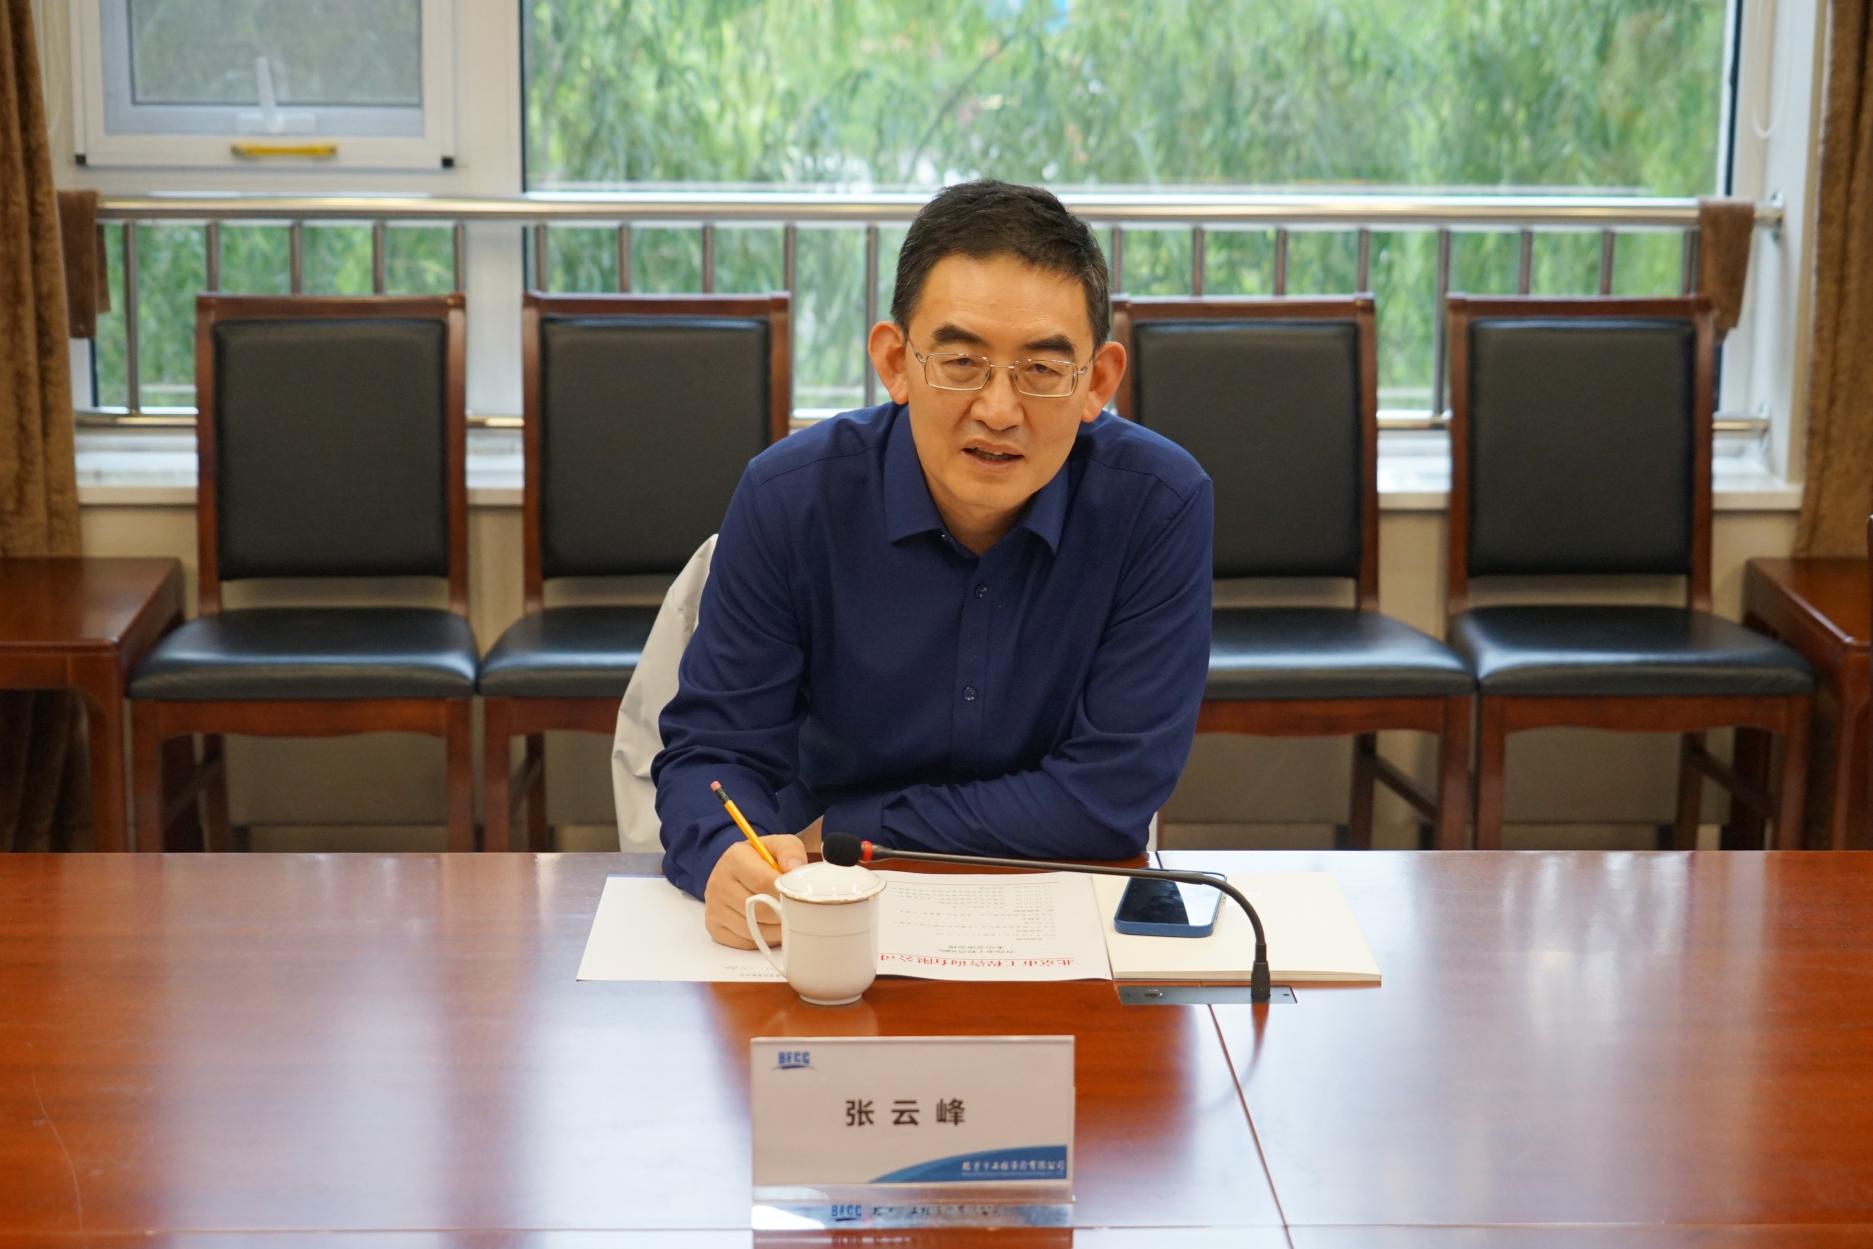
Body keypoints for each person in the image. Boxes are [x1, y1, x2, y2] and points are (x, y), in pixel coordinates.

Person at [653, 179, 1212, 948]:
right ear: (895, 361)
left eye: (1041, 370)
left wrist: (851, 825)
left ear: (1098, 381)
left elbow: (1107, 794)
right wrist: (724, 853)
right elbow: (713, 754)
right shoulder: (791, 498)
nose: (998, 410)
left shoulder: (1157, 504)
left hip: (1052, 905)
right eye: (960, 361)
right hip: (822, 908)